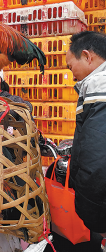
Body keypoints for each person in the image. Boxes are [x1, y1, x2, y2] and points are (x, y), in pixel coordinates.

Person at [66, 31, 106, 236]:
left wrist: (89, 208)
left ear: (87, 56)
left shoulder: (98, 84)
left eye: (71, 66)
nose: (72, 74)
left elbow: (97, 153)